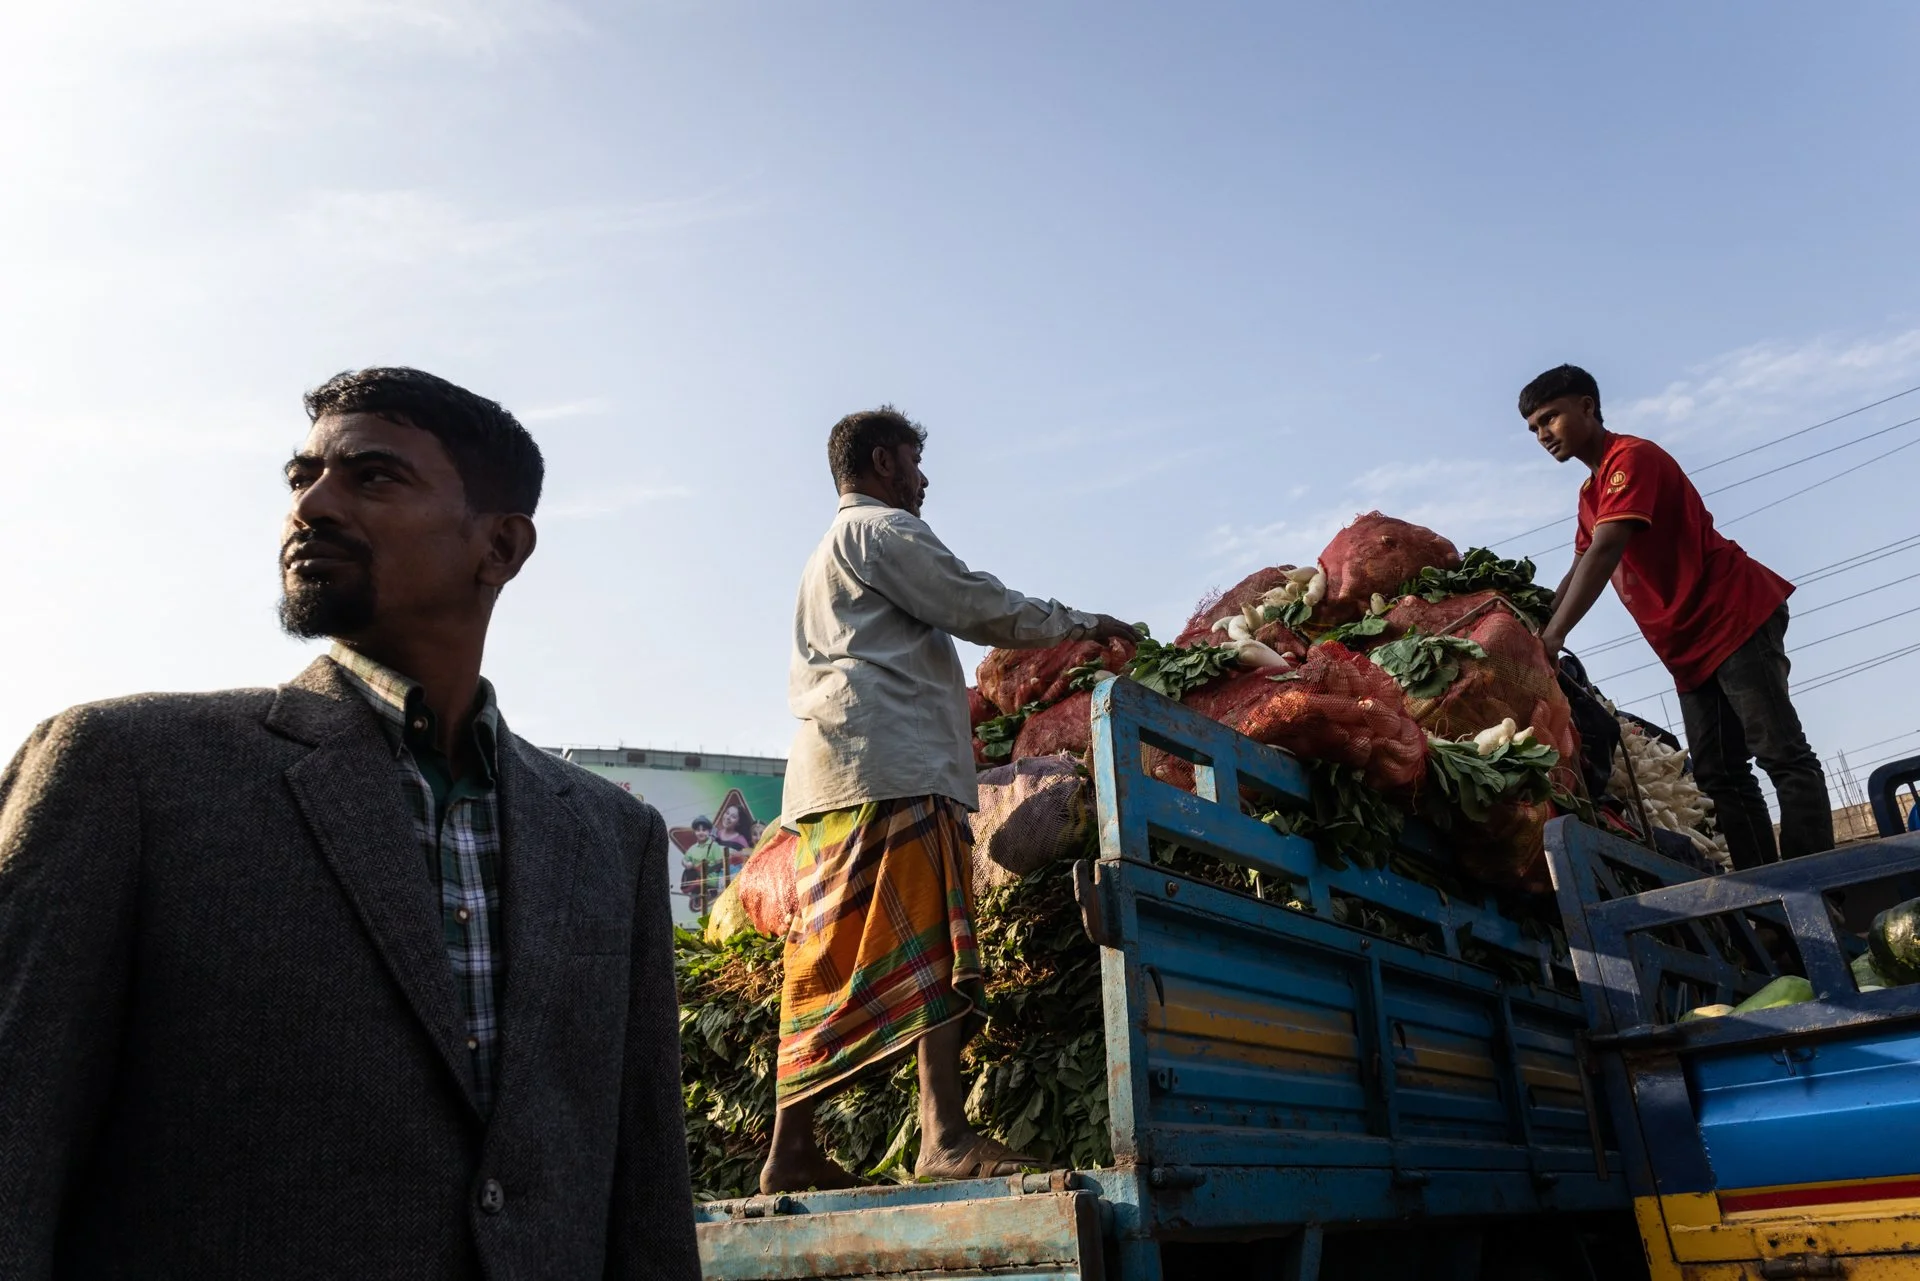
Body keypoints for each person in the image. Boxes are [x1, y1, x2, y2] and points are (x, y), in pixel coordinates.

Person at [0, 367, 700, 1279]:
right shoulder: (127, 770)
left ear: (500, 545)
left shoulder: (612, 836)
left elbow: (646, 1191)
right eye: (302, 478)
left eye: (373, 477)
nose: (312, 506)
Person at [763, 404, 1136, 1194]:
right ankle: (944, 1135)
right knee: (931, 945)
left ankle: (789, 1147)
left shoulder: (824, 556)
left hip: (834, 779)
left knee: (826, 959)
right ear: (882, 461)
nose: (924, 478)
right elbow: (976, 604)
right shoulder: (882, 531)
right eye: (913, 460)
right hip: (894, 769)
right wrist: (1081, 623)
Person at [1521, 363, 1833, 869]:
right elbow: (1579, 565)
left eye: (1550, 418)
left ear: (1587, 406)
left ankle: (1819, 882)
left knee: (1780, 752)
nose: (1543, 434)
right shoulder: (1589, 494)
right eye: (1534, 427)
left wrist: (1554, 636)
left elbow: (1605, 550)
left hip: (1732, 616)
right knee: (1718, 773)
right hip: (1687, 645)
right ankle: (1768, 893)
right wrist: (1534, 627)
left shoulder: (1630, 459)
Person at [680, 815, 729, 913]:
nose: (701, 832)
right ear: (695, 832)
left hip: (710, 881)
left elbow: (720, 864)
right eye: (698, 830)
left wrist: (707, 869)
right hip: (696, 882)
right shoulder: (693, 848)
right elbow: (684, 860)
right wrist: (687, 864)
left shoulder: (714, 846)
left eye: (704, 830)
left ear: (709, 831)